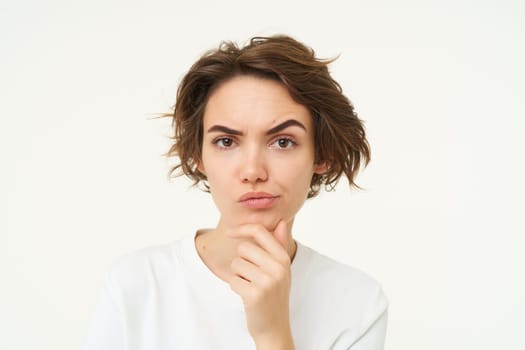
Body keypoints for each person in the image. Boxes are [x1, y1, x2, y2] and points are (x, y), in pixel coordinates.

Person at [84, 35, 388, 350]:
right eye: (226, 142)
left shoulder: (358, 303)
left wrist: (272, 333)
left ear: (321, 155)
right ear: (198, 157)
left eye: (282, 141)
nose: (253, 171)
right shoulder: (136, 285)